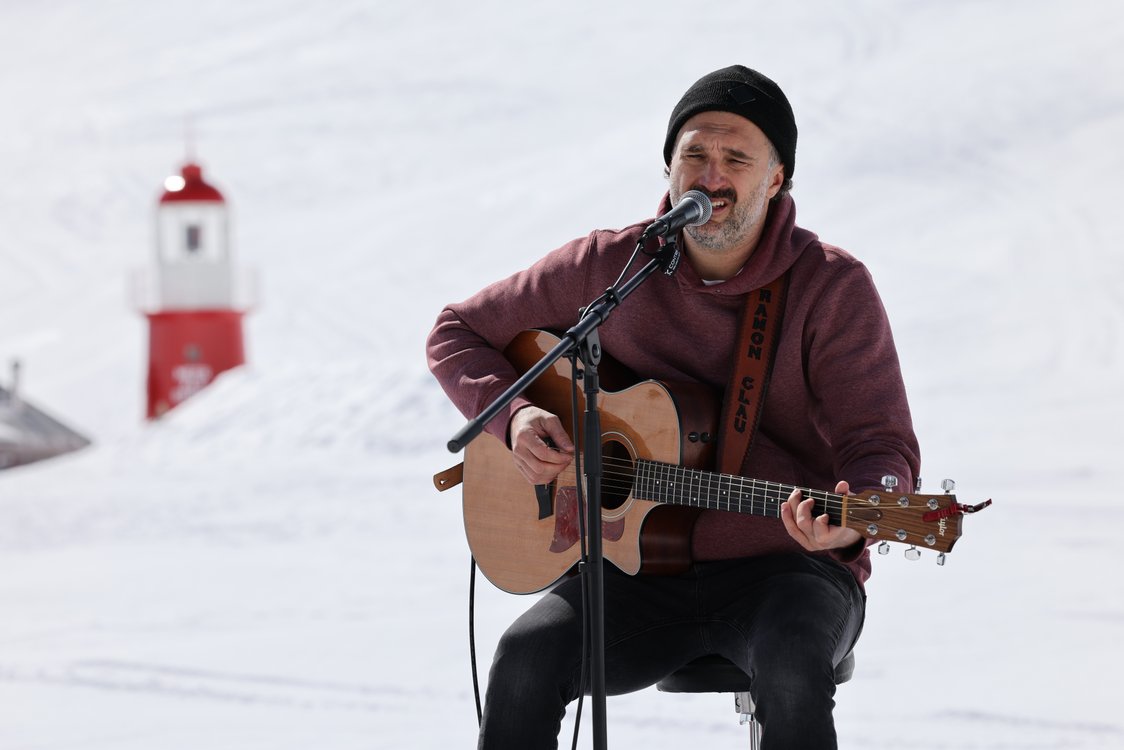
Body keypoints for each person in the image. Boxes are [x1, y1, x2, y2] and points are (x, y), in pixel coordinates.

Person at [426, 65, 920, 750]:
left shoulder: (831, 288)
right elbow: (458, 330)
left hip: (788, 568)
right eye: (694, 154)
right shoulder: (611, 267)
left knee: (791, 665)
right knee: (523, 660)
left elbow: (880, 443)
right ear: (668, 168)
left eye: (736, 158)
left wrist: (858, 515)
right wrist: (514, 416)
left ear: (777, 180)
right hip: (636, 570)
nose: (710, 175)